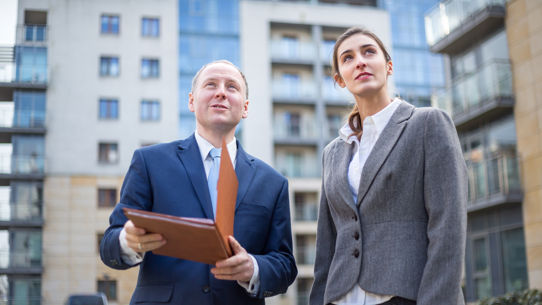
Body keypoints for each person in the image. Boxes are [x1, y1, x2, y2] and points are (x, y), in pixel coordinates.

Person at [100, 60, 297, 305]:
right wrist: (126, 241)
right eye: (211, 84)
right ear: (192, 101)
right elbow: (109, 245)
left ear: (245, 108)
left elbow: (285, 265)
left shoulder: (273, 183)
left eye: (232, 87)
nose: (221, 92)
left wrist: (254, 268)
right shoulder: (150, 162)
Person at [309, 27, 467, 305]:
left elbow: (448, 229)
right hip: (340, 298)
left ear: (388, 66)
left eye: (369, 52)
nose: (360, 61)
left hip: (406, 296)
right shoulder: (332, 153)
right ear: (339, 80)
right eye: (347, 58)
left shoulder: (427, 124)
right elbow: (327, 247)